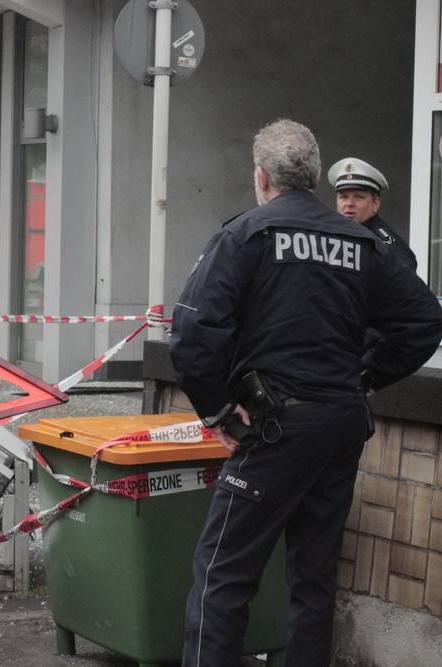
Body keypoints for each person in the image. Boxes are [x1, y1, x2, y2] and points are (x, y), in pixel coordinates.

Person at [170, 119, 442, 666]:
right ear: (317, 177)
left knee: (223, 575)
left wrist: (220, 411)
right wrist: (363, 376)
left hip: (274, 428)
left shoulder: (245, 234)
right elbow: (424, 321)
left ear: (262, 176)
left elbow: (194, 334)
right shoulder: (364, 243)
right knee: (314, 578)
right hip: (340, 426)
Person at [327, 156, 416, 270]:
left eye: (359, 197)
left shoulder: (384, 246)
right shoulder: (332, 235)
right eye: (343, 197)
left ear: (376, 203)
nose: (349, 203)